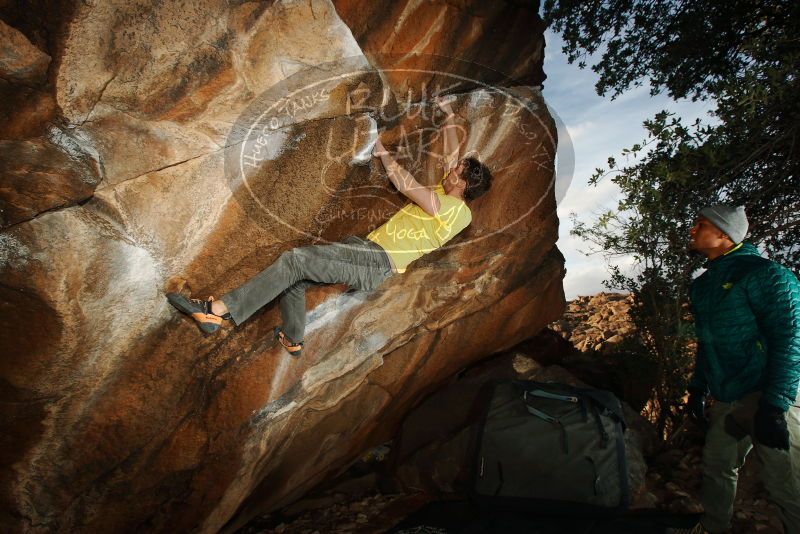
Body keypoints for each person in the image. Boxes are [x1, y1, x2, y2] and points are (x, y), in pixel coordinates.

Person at [166, 96, 492, 355]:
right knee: (296, 278)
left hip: (376, 262)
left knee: (295, 260)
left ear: (463, 184)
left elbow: (406, 185)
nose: (450, 168)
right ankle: (293, 338)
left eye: (458, 171)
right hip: (364, 249)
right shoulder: (447, 190)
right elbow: (453, 153)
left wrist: (381, 150)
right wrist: (449, 116)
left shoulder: (458, 212)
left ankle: (216, 311)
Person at [685, 205, 800, 534]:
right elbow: (707, 343)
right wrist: (697, 388)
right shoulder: (703, 286)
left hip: (771, 396)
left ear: (724, 234)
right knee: (717, 463)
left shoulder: (766, 275)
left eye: (701, 224)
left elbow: (791, 338)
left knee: (786, 485)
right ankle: (713, 526)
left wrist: (776, 405)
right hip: (729, 397)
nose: (692, 230)